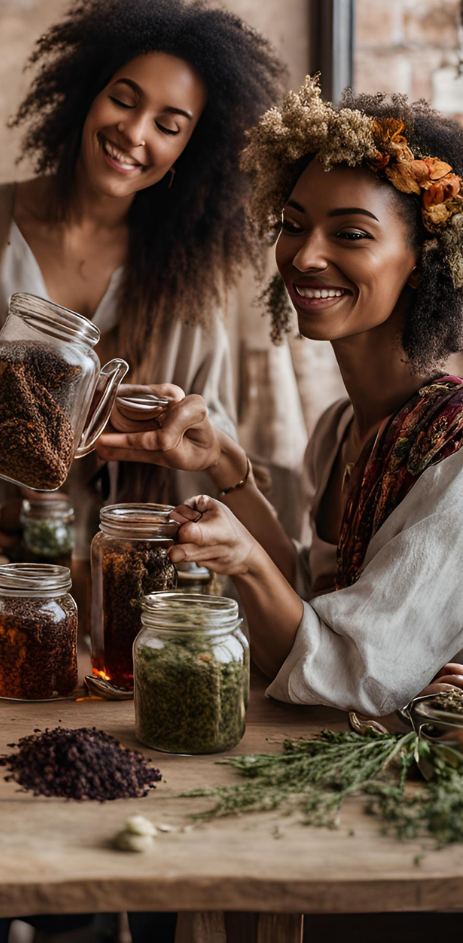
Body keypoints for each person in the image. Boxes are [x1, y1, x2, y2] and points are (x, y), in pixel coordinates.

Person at [94, 77, 463, 715]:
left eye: (351, 233)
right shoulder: (339, 428)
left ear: (425, 260)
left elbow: (355, 673)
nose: (305, 256)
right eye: (293, 225)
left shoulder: (453, 457)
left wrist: (246, 564)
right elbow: (304, 602)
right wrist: (223, 463)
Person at [0, 0, 303, 562]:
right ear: (85, 93)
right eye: (124, 99)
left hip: (121, 576)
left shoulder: (188, 281)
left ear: (190, 152)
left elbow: (212, 437)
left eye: (168, 126)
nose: (135, 132)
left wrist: (177, 427)